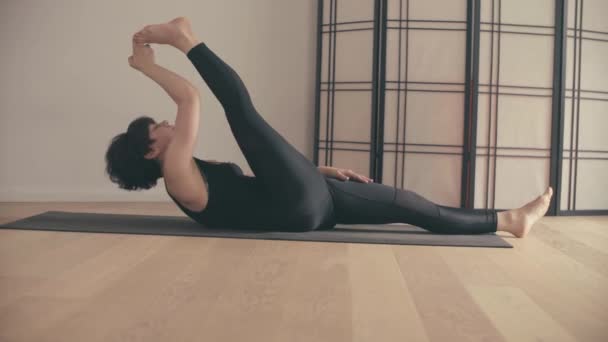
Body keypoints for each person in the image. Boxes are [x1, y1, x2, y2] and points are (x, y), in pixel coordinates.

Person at [106, 17, 552, 238]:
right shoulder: (179, 177)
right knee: (242, 112)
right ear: (150, 152)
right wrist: (146, 65)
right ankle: (187, 37)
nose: (167, 123)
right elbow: (190, 98)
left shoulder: (191, 172)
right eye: (157, 127)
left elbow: (257, 187)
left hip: (306, 204)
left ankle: (509, 220)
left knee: (408, 204)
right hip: (295, 209)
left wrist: (318, 171)